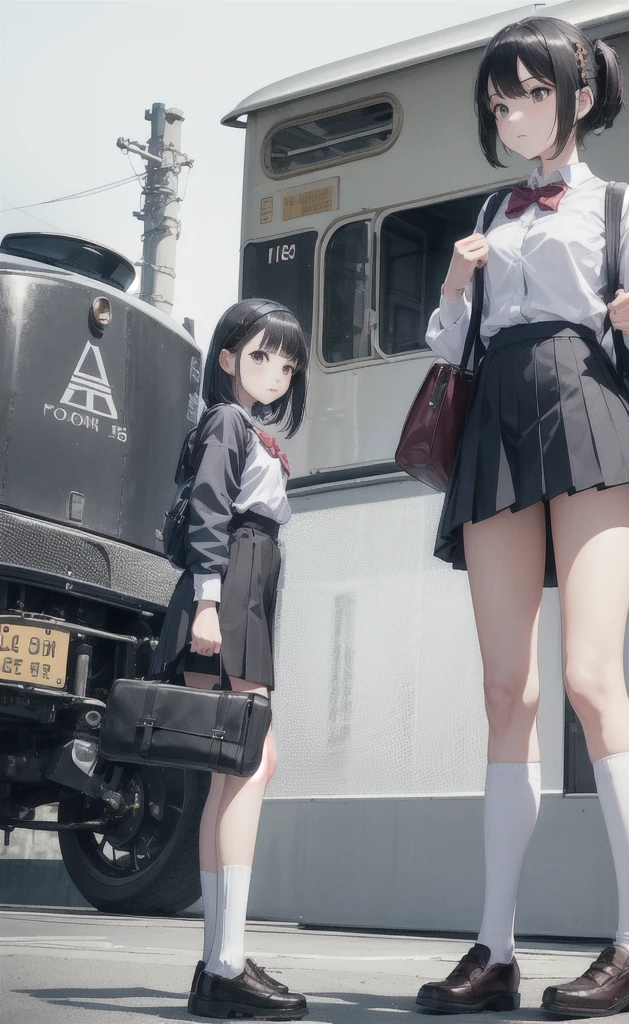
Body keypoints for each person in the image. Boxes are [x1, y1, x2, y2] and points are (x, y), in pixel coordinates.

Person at [415, 16, 629, 1019]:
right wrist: (452, 282)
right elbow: (451, 343)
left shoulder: (616, 203)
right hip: (498, 421)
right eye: (499, 101)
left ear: (575, 95)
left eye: (526, 93)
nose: (511, 112)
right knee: (504, 691)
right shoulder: (491, 207)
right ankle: (495, 946)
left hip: (590, 415)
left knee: (588, 677)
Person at [151, 298, 309, 1021]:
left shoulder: (244, 427)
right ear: (226, 358)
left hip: (241, 590)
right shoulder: (226, 422)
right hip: (229, 591)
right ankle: (226, 962)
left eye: (287, 362)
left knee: (234, 768)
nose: (275, 371)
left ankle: (221, 960)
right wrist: (211, 603)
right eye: (260, 356)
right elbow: (212, 510)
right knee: (249, 764)